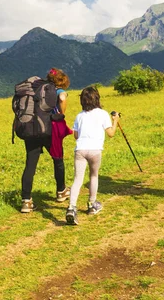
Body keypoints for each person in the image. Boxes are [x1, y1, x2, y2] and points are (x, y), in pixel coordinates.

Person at [65, 86, 119, 225]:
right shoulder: (102, 114)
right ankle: (92, 204)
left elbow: (76, 135)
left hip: (80, 150)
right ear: (97, 99)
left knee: (78, 179)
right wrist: (115, 121)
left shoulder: (79, 116)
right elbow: (111, 133)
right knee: (93, 176)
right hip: (95, 150)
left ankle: (71, 207)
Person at [21, 68, 72, 213]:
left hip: (31, 129)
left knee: (30, 165)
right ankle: (61, 191)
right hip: (49, 130)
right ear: (62, 81)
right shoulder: (55, 90)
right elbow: (62, 98)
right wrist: (62, 112)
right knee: (58, 159)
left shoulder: (37, 89)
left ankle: (26, 201)